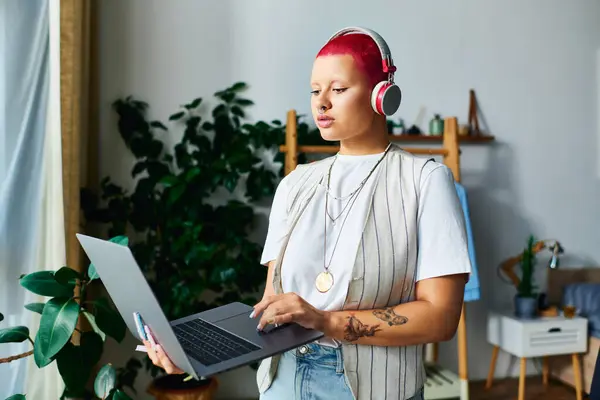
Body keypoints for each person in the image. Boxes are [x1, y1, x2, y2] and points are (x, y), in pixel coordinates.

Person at [144, 26, 471, 400]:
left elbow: (441, 318)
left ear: (382, 95)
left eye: (339, 89)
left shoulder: (426, 181)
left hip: (371, 388)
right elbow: (271, 306)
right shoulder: (295, 184)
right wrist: (193, 357)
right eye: (316, 91)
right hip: (282, 380)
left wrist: (326, 321)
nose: (322, 103)